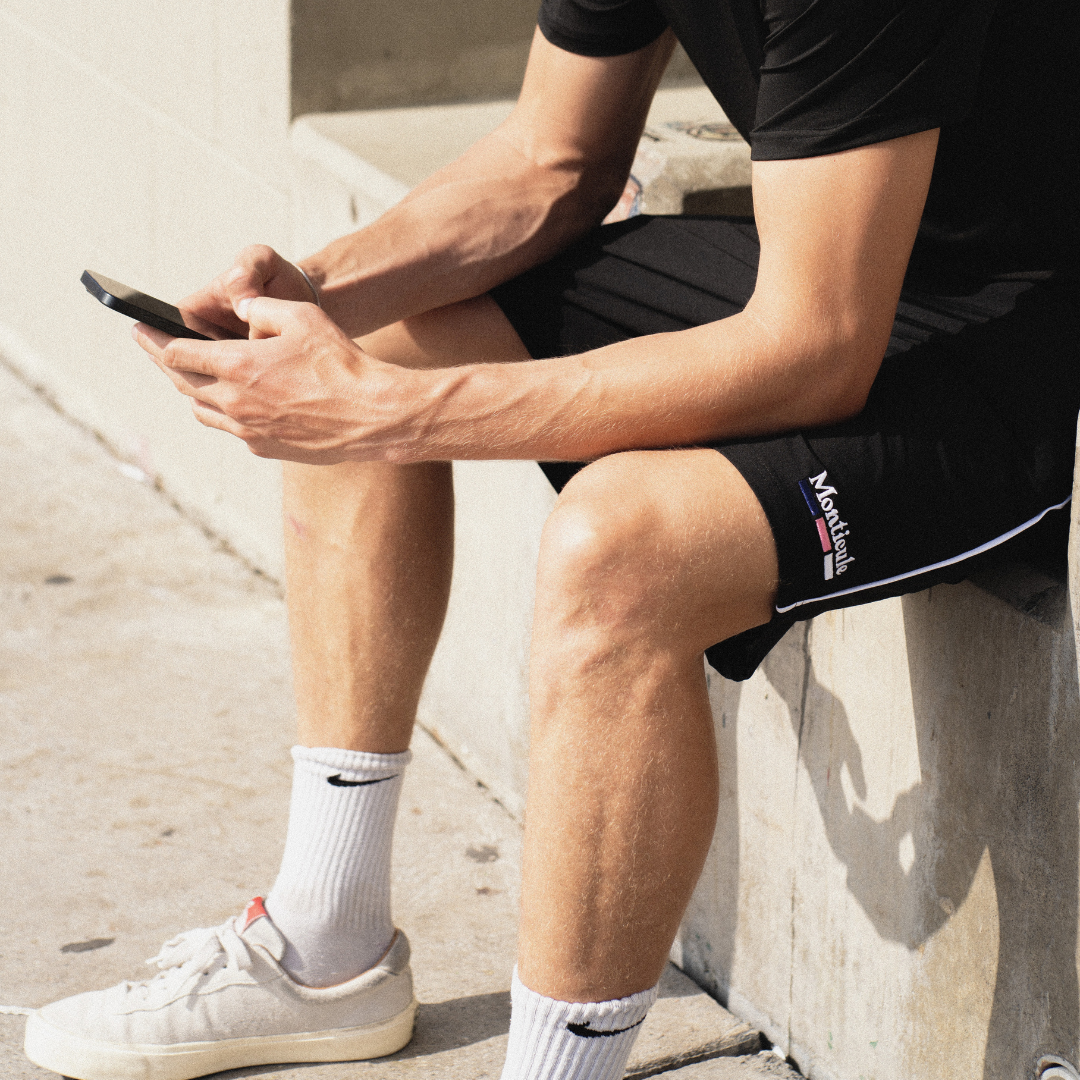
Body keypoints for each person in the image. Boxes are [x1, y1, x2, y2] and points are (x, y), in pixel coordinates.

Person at [24, 0, 1079, 1077]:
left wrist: (384, 412)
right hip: (824, 256)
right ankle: (325, 943)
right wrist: (312, 297)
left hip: (1011, 342)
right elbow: (552, 158)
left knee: (619, 549)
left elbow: (814, 350)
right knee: (355, 338)